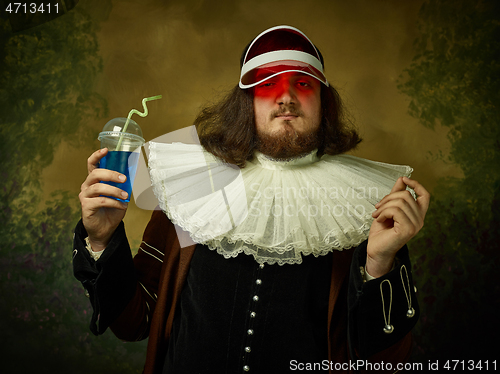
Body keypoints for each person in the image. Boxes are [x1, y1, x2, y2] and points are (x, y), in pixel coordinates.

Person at [73, 25, 430, 373]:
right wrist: (102, 240)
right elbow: (135, 322)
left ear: (325, 101)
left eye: (303, 83)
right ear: (246, 102)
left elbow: (388, 361)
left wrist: (380, 265)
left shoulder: (367, 202)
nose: (286, 97)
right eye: (267, 84)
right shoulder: (193, 185)